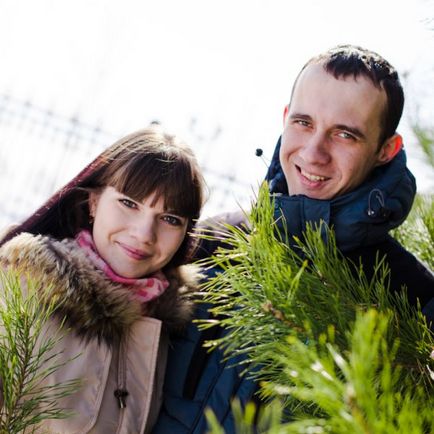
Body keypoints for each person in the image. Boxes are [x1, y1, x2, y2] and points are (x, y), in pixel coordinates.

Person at [152, 45, 434, 434]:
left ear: (386, 150)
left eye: (345, 134)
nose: (314, 153)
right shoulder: (207, 245)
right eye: (303, 122)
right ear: (285, 119)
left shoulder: (414, 300)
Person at [0, 125, 205, 433]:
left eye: (170, 219)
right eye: (129, 203)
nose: (143, 234)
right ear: (94, 202)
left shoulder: (170, 328)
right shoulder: (22, 285)